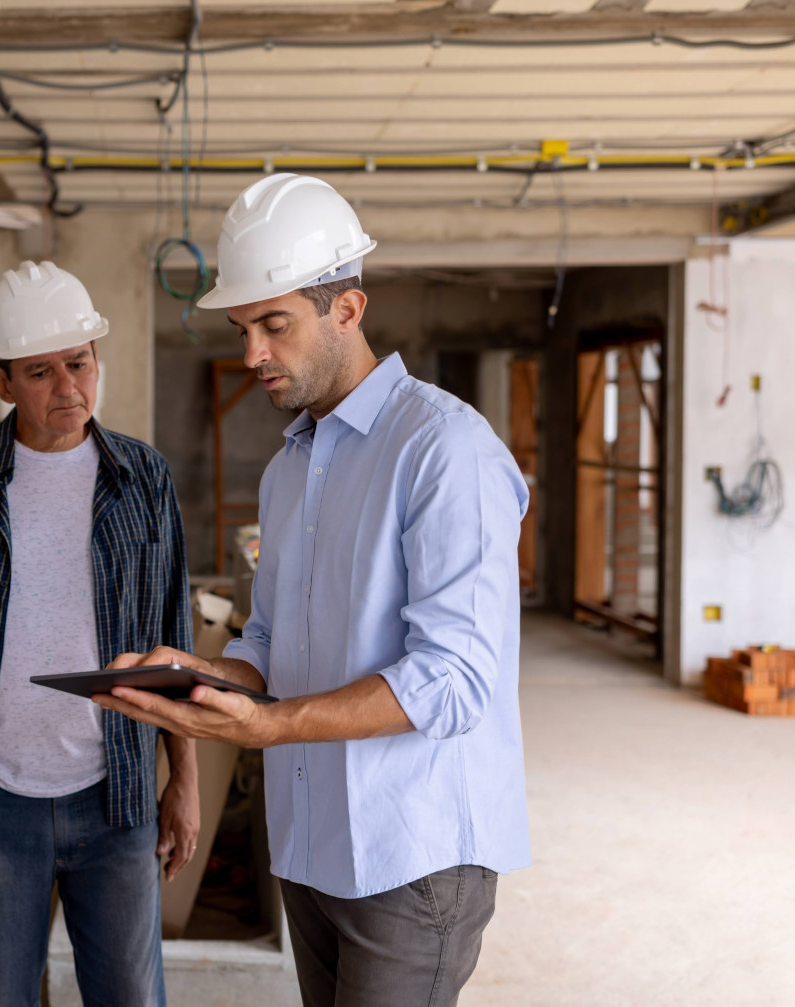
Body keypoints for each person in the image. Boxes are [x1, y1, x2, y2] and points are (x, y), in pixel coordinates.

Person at [97, 174, 531, 1007]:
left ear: (347, 310)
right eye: (243, 327)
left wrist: (266, 726)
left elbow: (455, 678)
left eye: (275, 324)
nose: (252, 351)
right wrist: (202, 677)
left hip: (413, 858)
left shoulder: (444, 449)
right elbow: (269, 641)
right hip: (312, 845)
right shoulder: (289, 468)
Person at [0, 260, 199, 1007]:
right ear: (2, 382)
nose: (68, 388)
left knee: (130, 996)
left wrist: (182, 781)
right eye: (39, 371)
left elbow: (172, 641)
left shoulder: (143, 478)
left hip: (116, 793)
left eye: (79, 363)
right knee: (3, 998)